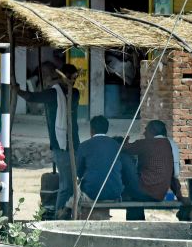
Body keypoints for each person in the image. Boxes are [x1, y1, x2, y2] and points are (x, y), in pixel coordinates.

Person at [17, 62, 81, 218]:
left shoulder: (74, 93)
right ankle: (60, 214)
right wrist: (17, 90)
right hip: (61, 144)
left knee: (71, 184)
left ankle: (65, 213)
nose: (72, 82)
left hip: (73, 143)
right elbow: (31, 97)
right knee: (67, 184)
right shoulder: (54, 93)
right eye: (70, 79)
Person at [121, 119, 176, 220]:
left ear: (153, 130)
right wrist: (179, 194)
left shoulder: (147, 143)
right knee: (133, 198)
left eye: (146, 130)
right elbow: (173, 174)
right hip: (159, 194)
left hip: (145, 191)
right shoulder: (167, 144)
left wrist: (124, 142)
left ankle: (119, 191)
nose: (144, 133)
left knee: (124, 158)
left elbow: (123, 148)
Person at [76, 116, 124, 204]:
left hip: (91, 193)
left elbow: (78, 172)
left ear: (92, 130)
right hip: (114, 193)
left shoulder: (84, 145)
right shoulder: (116, 145)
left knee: (76, 193)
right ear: (107, 129)